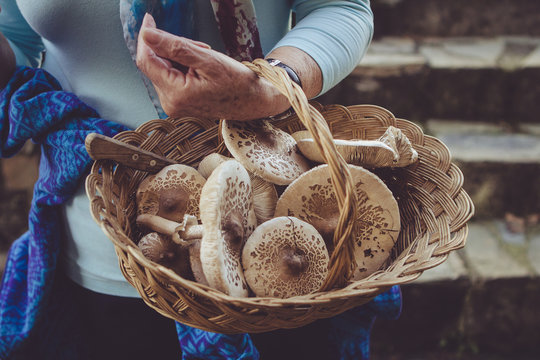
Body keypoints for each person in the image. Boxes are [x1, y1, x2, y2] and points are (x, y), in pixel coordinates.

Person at [0, 1, 401, 359]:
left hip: (268, 253)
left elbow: (342, 6)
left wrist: (272, 86)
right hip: (95, 246)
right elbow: (18, 39)